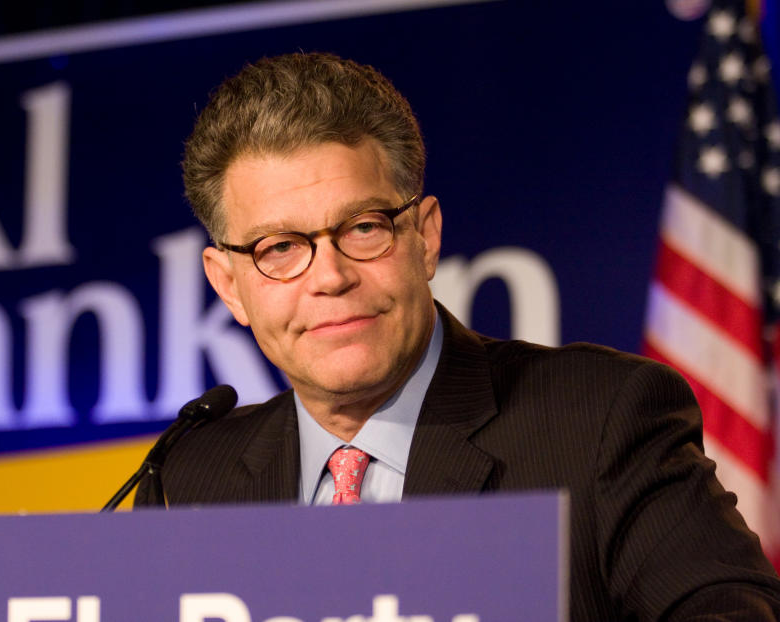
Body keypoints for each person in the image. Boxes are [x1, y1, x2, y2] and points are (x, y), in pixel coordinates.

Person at [135, 52, 780, 620]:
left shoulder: (602, 420)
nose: (329, 277)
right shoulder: (191, 481)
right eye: (279, 247)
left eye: (363, 228)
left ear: (426, 237)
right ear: (227, 286)